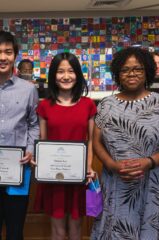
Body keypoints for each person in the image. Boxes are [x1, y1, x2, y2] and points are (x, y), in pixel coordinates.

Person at [91, 47, 159, 239]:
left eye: (138, 69)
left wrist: (149, 161)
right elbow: (96, 142)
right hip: (117, 181)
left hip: (154, 181)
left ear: (147, 71)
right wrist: (111, 165)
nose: (131, 74)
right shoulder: (106, 105)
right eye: (125, 70)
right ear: (117, 74)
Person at [33, 52, 96, 240]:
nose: (66, 76)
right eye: (60, 71)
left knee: (76, 230)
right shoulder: (44, 106)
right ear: (53, 75)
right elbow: (43, 143)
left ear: (78, 74)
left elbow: (91, 140)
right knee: (57, 230)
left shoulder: (88, 105)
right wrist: (41, 164)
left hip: (79, 176)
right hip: (54, 178)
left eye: (71, 71)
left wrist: (89, 167)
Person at [0, 30, 39, 240]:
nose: (2, 57)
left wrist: (31, 150)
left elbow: (34, 125)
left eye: (7, 52)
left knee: (15, 231)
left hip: (18, 170)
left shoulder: (28, 90)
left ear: (14, 55)